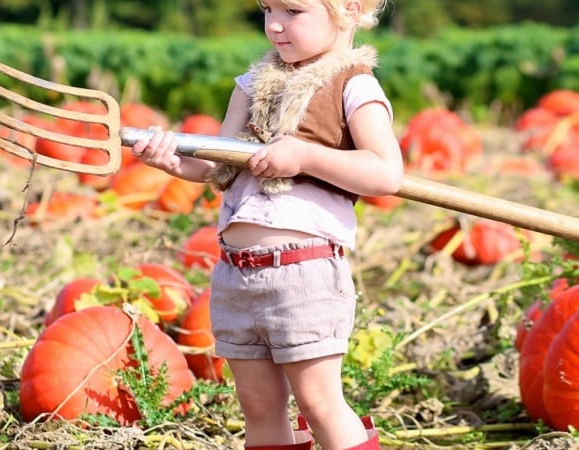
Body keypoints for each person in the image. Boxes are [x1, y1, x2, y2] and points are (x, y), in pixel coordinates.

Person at [130, 0, 400, 449]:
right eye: (267, 8)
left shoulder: (355, 87)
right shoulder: (253, 85)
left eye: (293, 10)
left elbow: (386, 173)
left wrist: (306, 155)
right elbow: (214, 164)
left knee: (318, 402)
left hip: (304, 273)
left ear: (350, 9)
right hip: (236, 273)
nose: (274, 24)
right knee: (258, 406)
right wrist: (170, 160)